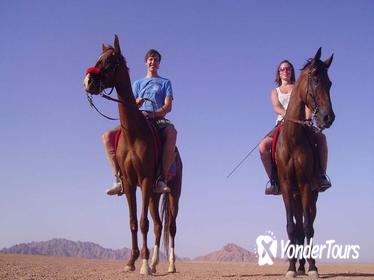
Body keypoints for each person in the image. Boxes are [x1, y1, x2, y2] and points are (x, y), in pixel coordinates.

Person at [103, 49, 177, 195]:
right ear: (145, 62)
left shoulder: (165, 82)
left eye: (156, 60)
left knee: (172, 132)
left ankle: (160, 178)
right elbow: (130, 106)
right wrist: (137, 102)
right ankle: (118, 179)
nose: (153, 62)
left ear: (159, 64)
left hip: (157, 118)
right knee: (106, 136)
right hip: (138, 119)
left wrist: (154, 113)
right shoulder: (137, 83)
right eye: (150, 59)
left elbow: (168, 107)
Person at [259, 60, 331, 195]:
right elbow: (277, 107)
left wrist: (308, 118)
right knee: (262, 147)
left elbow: (307, 104)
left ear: (291, 71)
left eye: (288, 69)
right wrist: (289, 116)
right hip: (282, 123)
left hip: (302, 122)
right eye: (282, 69)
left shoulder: (298, 87)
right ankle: (274, 181)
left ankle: (321, 176)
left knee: (321, 138)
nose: (285, 71)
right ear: (279, 73)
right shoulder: (275, 91)